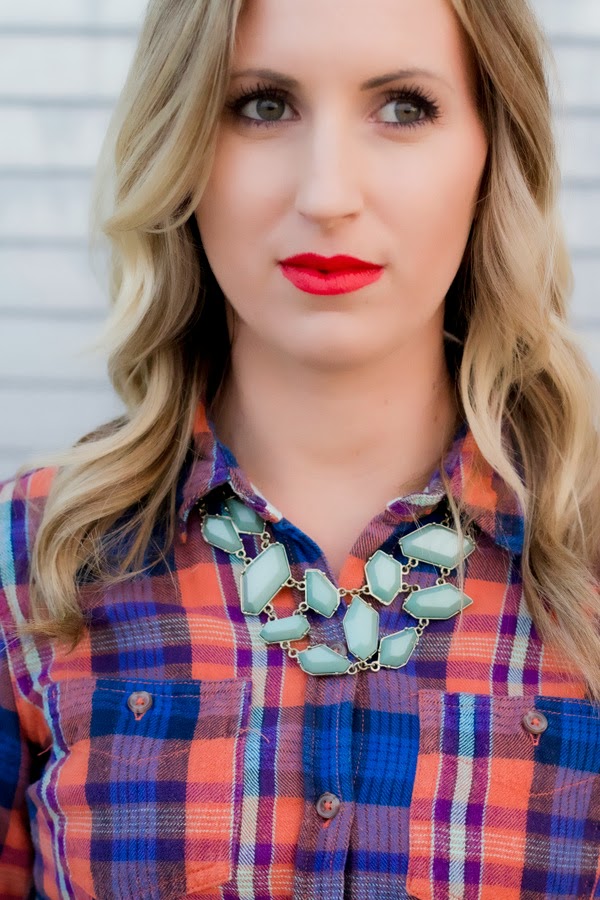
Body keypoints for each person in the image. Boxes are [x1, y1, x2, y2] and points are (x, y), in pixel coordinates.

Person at [1, 0, 599, 897]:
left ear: (492, 153)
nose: (326, 195)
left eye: (403, 107)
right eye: (263, 105)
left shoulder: (583, 555)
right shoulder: (29, 560)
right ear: (182, 148)